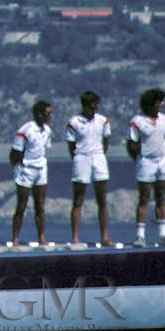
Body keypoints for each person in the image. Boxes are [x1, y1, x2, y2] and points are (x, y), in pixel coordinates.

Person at [127, 87, 165, 247]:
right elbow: (131, 145)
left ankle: (163, 235)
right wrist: (141, 159)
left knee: (161, 198)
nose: (162, 104)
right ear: (150, 104)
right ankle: (140, 236)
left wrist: (161, 152)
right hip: (146, 161)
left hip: (162, 161)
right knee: (144, 198)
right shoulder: (137, 121)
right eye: (158, 102)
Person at [66, 90, 113, 247]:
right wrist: (80, 156)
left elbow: (106, 140)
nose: (95, 109)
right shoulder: (74, 122)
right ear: (85, 106)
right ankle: (75, 238)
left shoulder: (103, 121)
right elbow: (71, 145)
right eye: (92, 106)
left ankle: (104, 237)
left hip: (98, 157)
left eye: (97, 106)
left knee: (102, 199)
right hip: (81, 157)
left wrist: (100, 154)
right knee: (78, 199)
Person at [9, 100, 54, 247]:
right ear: (39, 114)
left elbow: (44, 148)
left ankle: (42, 237)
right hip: (26, 169)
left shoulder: (47, 130)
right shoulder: (25, 130)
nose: (50, 116)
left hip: (40, 169)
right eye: (48, 113)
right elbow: (14, 153)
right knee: (21, 205)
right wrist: (20, 167)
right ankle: (15, 238)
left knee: (40, 205)